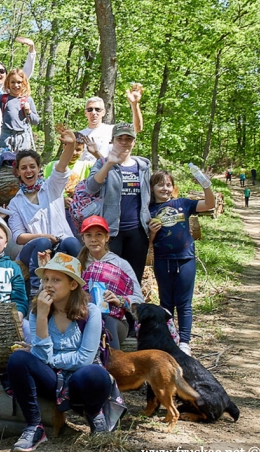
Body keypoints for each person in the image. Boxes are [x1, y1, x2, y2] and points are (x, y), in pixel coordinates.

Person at [5, 253, 113, 452]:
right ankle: (34, 427)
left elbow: (84, 359)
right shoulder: (38, 311)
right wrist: (43, 317)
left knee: (96, 373)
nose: (48, 285)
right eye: (45, 279)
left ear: (73, 285)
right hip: (52, 380)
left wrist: (49, 358)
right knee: (18, 359)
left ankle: (94, 414)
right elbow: (40, 356)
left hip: (81, 381)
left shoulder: (91, 312)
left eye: (56, 280)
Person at [6, 128, 83, 298]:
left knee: (72, 242)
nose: (28, 171)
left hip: (60, 245)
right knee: (42, 242)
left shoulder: (51, 187)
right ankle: (36, 290)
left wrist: (70, 145)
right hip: (33, 250)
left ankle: (84, 286)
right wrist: (44, 236)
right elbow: (18, 237)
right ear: (17, 172)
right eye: (23, 168)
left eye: (32, 167)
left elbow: (61, 167)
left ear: (38, 168)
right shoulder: (15, 202)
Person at [148, 170, 216, 356]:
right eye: (160, 184)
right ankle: (169, 339)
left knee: (184, 303)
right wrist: (152, 233)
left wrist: (206, 186)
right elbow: (147, 243)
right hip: (162, 261)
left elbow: (210, 204)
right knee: (166, 303)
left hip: (186, 259)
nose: (165, 188)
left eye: (168, 184)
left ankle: (185, 343)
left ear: (173, 187)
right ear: (152, 188)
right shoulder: (148, 209)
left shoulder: (183, 204)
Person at [84, 122, 152, 283]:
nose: (124, 142)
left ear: (134, 141)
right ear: (112, 141)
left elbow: (150, 197)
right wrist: (109, 163)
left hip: (138, 231)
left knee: (134, 279)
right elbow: (91, 188)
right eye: (120, 138)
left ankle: (132, 308)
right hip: (112, 231)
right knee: (109, 278)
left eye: (128, 138)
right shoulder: (103, 163)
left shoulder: (143, 166)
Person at [76, 216, 143, 349]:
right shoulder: (77, 264)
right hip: (83, 319)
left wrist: (120, 300)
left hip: (116, 323)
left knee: (107, 321)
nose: (94, 239)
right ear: (83, 239)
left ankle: (112, 366)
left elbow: (139, 299)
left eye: (99, 235)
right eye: (88, 235)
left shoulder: (120, 264)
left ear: (107, 237)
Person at [77, 84, 143, 165]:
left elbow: (137, 128)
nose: (94, 113)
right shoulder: (79, 135)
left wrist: (134, 104)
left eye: (98, 109)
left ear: (104, 112)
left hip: (109, 173)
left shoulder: (113, 130)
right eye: (90, 109)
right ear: (85, 113)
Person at [44, 131, 91, 236]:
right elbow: (47, 188)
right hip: (58, 210)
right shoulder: (52, 166)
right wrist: (63, 199)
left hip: (81, 211)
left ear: (83, 150)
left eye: (78, 150)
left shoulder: (87, 166)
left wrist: (95, 152)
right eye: (72, 149)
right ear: (65, 146)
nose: (74, 153)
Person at [0, 68, 39, 152]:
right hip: (6, 136)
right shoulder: (3, 98)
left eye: (19, 82)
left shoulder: (28, 100)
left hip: (22, 137)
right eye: (13, 82)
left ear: (24, 83)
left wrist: (29, 112)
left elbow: (36, 121)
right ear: (8, 83)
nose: (16, 85)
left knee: (21, 161)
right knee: (6, 162)